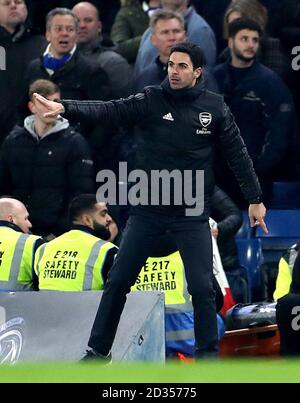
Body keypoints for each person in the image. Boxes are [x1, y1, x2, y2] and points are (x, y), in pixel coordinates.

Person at [33, 42, 268, 361]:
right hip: (148, 211)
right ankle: (98, 351)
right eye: (171, 64)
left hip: (190, 214)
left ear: (198, 72)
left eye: (182, 66)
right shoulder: (150, 100)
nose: (174, 70)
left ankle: (208, 358)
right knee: (117, 280)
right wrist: (65, 108)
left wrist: (254, 198)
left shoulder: (214, 108)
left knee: (201, 288)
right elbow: (108, 109)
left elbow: (238, 154)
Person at [213, 18, 296, 207]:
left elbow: (280, 131)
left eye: (255, 40)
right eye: (244, 39)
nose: (250, 45)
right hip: (217, 174)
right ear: (231, 41)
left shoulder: (270, 83)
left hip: (254, 176)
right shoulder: (214, 78)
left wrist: (259, 167)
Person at [0, 79, 95, 238]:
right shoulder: (13, 141)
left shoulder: (75, 143)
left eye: (55, 102)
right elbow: (3, 188)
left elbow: (80, 194)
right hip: (16, 232)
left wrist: (58, 232)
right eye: (45, 103)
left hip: (55, 234)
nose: (52, 108)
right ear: (32, 107)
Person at [131, 232, 226, 359]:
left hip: (141, 343)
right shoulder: (190, 254)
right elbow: (217, 300)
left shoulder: (125, 257)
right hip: (187, 338)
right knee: (216, 320)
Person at [34, 194, 118, 291]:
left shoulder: (44, 248)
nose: (109, 218)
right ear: (87, 220)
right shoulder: (108, 251)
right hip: (88, 306)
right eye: (103, 214)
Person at [0, 0, 47, 144]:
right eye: (7, 3)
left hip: (32, 131)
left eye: (19, 2)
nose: (14, 6)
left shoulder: (42, 44)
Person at [134, 0, 217, 78]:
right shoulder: (150, 31)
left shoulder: (200, 30)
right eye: (165, 32)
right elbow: (138, 72)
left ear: (184, 35)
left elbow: (203, 78)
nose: (171, 37)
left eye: (176, 31)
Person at [72, 1, 132, 98]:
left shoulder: (114, 63)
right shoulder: (60, 58)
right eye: (77, 21)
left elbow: (125, 106)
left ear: (99, 26)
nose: (82, 25)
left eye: (88, 20)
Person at [0, 197, 44, 291]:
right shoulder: (33, 243)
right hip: (16, 304)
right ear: (11, 219)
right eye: (26, 218)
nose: (29, 224)